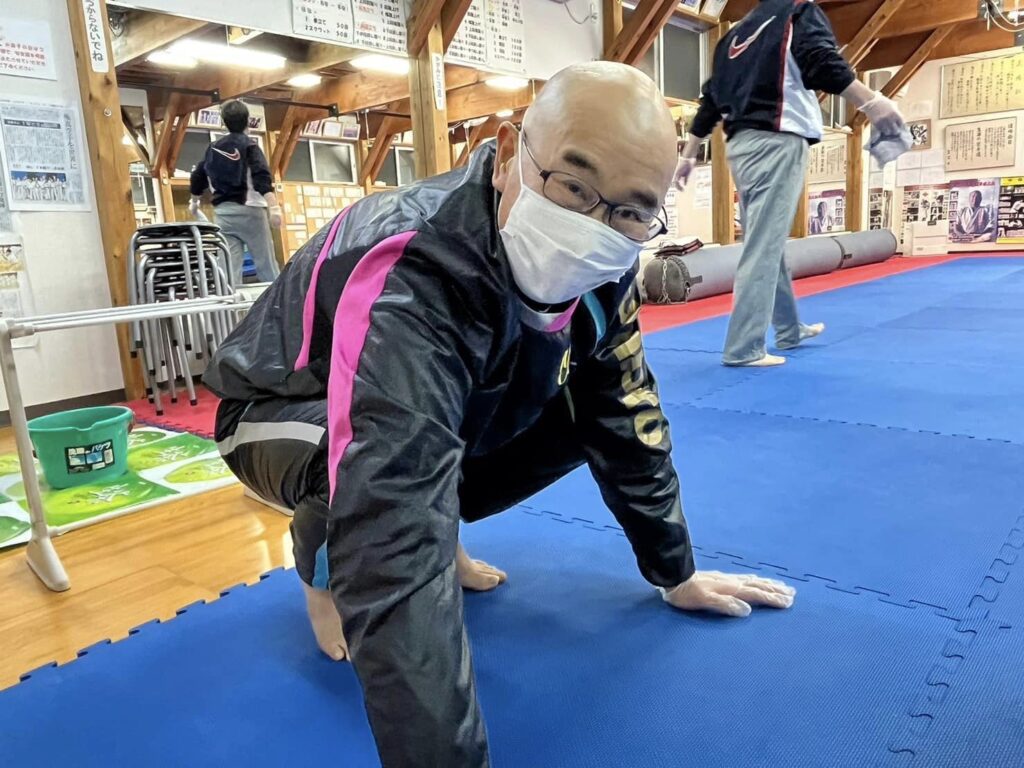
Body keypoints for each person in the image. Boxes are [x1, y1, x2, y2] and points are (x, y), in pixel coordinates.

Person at [203, 62, 796, 768]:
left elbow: (629, 418)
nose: (594, 225)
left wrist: (676, 573)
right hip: (275, 410)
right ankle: (319, 566)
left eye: (631, 211)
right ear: (511, 153)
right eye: (573, 186)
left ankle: (441, 526)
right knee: (371, 460)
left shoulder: (609, 272)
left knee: (583, 405)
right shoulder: (411, 264)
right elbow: (392, 502)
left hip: (418, 410)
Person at [674, 0, 906, 367]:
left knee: (766, 239)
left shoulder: (735, 35)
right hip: (778, 140)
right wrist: (873, 103)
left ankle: (788, 329)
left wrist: (688, 154)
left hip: (741, 147)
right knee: (763, 245)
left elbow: (712, 98)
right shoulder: (798, 11)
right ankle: (744, 347)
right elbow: (821, 62)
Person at [189, 100, 282, 285]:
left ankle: (231, 302)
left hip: (223, 215)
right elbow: (261, 176)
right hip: (251, 212)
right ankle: (278, 299)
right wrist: (274, 207)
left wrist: (194, 201)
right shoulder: (249, 145)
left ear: (223, 122)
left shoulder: (213, 148)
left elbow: (198, 176)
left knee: (229, 270)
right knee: (266, 264)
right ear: (248, 120)